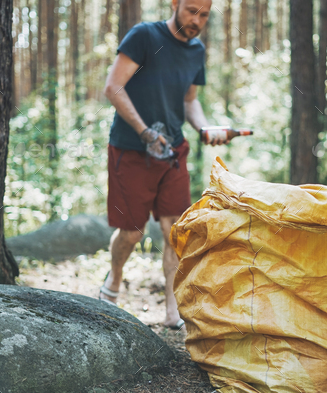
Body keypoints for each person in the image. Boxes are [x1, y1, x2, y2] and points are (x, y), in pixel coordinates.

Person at [101, 0, 219, 330]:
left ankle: (172, 308)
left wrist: (205, 128)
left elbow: (189, 101)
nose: (196, 20)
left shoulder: (196, 52)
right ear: (175, 4)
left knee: (174, 230)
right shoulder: (144, 36)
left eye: (204, 14)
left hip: (172, 152)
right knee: (131, 232)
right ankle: (114, 280)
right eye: (191, 10)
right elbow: (113, 87)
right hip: (131, 148)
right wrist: (145, 131)